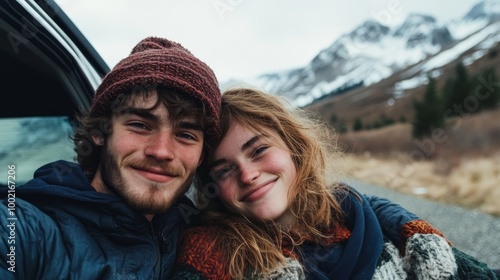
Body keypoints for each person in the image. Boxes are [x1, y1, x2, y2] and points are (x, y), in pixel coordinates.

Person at [173, 88, 499, 279]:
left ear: (294, 150)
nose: (247, 175)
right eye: (224, 170)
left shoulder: (376, 224)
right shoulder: (211, 252)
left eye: (258, 151)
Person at [0, 36, 221, 279]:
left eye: (185, 135)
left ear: (201, 156)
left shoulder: (205, 244)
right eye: (140, 125)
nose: (161, 151)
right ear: (100, 132)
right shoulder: (21, 230)